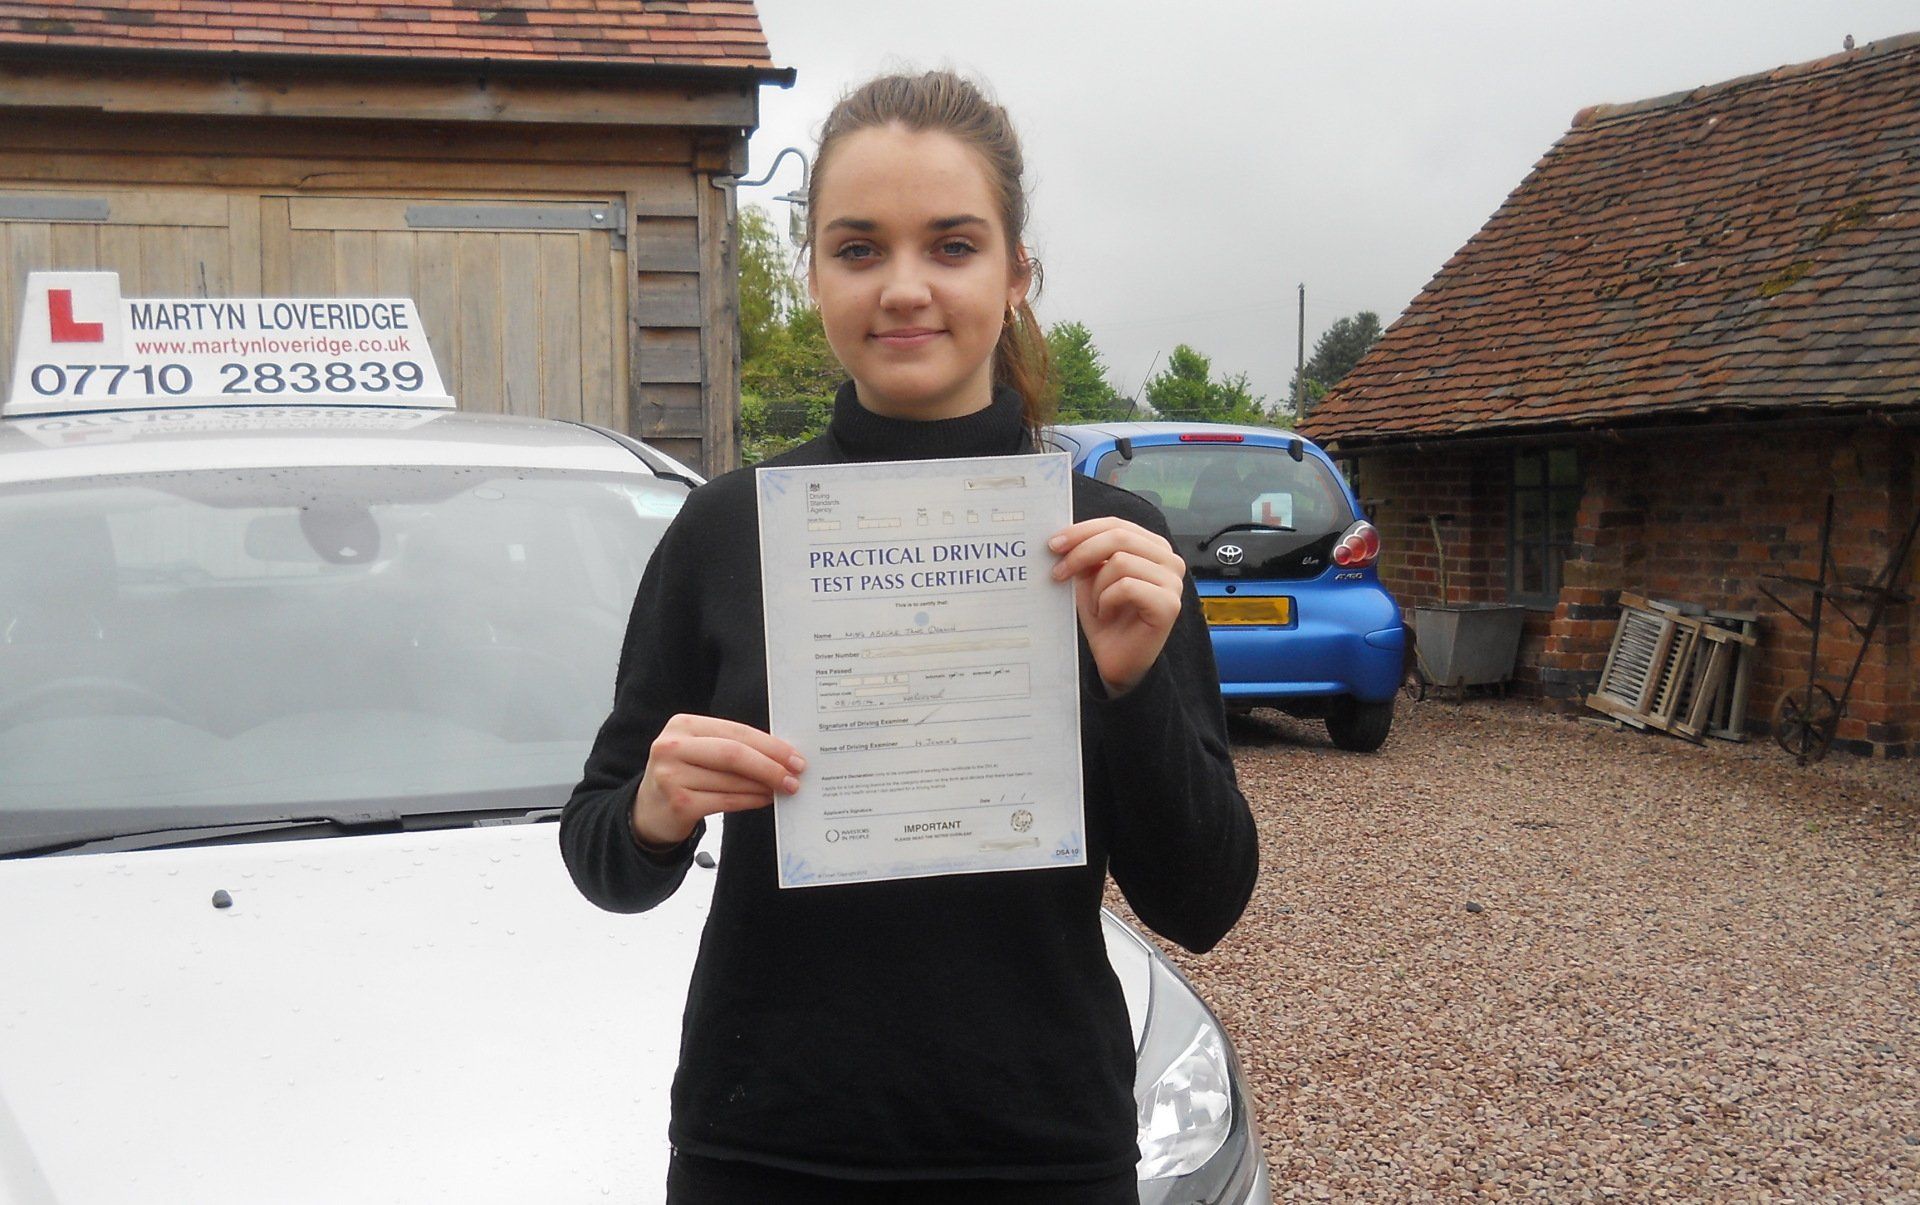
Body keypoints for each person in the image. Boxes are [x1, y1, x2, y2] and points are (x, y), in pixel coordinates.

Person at [561, 70, 1259, 1205]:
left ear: (1016, 273)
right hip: (765, 1146)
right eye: (857, 248)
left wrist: (1130, 690)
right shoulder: (728, 528)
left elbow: (1205, 901)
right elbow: (598, 852)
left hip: (1041, 1149)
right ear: (814, 274)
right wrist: (653, 806)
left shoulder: (1113, 543)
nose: (903, 289)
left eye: (950, 245)